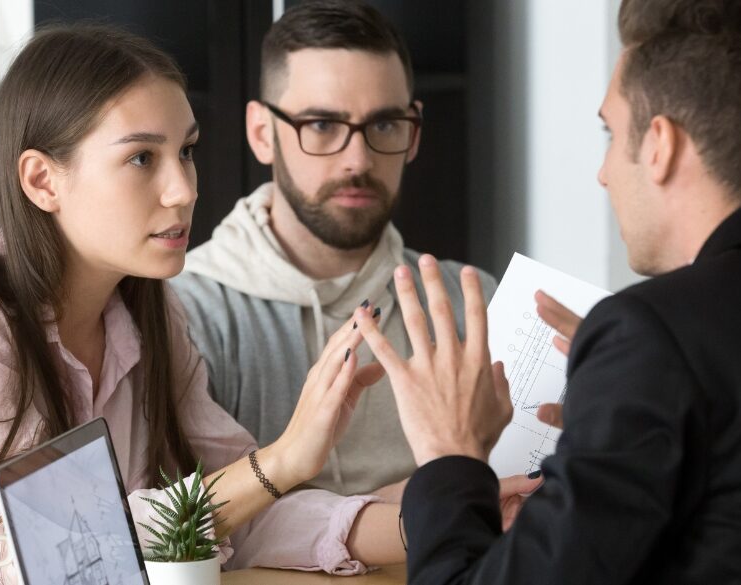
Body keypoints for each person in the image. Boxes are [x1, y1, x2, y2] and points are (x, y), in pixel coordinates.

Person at [0, 25, 414, 584]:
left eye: (187, 152)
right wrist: (277, 462)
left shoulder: (149, 312)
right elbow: (56, 553)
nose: (183, 189)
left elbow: (241, 514)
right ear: (42, 180)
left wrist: (442, 520)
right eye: (142, 158)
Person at [354, 0, 741, 583]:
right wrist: (628, 416)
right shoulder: (666, 353)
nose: (602, 172)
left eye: (610, 131)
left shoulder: (652, 337)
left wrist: (451, 457)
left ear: (660, 146)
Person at [169, 0, 500, 499]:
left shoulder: (474, 304)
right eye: (322, 125)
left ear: (414, 132)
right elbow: (162, 537)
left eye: (384, 125)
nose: (357, 159)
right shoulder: (183, 314)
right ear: (262, 133)